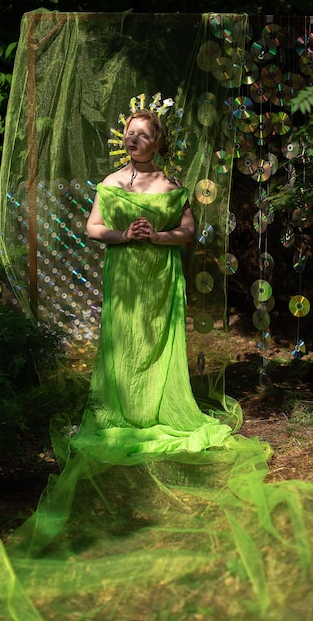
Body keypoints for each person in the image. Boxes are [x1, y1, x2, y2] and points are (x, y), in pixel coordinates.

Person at [79, 108, 235, 456]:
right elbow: (92, 228)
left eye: (143, 135)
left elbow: (189, 231)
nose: (133, 139)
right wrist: (123, 234)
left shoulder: (170, 185)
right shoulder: (110, 183)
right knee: (124, 337)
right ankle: (125, 410)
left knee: (156, 338)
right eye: (130, 133)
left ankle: (156, 409)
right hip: (123, 277)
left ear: (158, 143)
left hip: (161, 278)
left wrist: (157, 237)